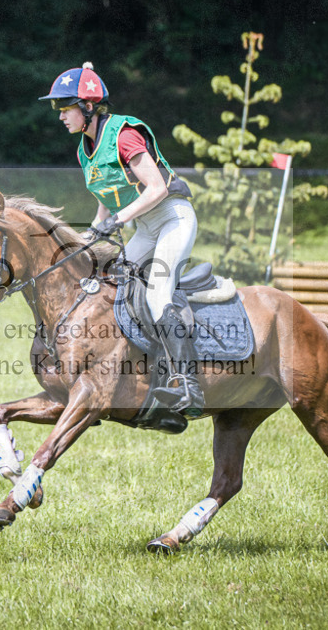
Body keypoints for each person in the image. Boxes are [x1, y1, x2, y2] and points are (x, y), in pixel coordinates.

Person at [39, 62, 204, 427]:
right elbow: (107, 203)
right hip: (145, 227)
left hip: (172, 218)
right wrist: (82, 240)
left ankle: (188, 385)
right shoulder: (86, 149)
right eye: (58, 109)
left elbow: (157, 189)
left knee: (158, 294)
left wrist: (116, 222)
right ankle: (141, 379)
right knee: (114, 286)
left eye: (64, 107)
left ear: (87, 107)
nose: (59, 116)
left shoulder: (124, 134)